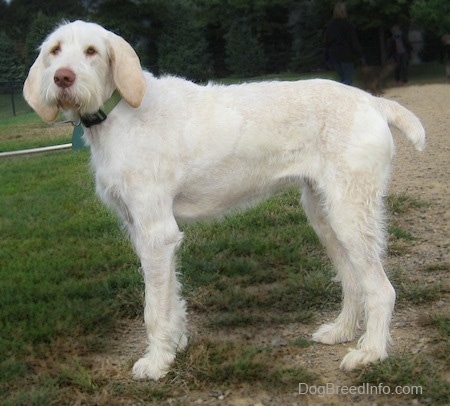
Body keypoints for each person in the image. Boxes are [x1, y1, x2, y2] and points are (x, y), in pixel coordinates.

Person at [325, 1, 364, 86]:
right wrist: (360, 55)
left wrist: (327, 58)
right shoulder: (348, 25)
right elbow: (353, 41)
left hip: (334, 55)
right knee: (347, 80)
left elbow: (327, 43)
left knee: (342, 80)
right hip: (346, 55)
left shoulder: (330, 26)